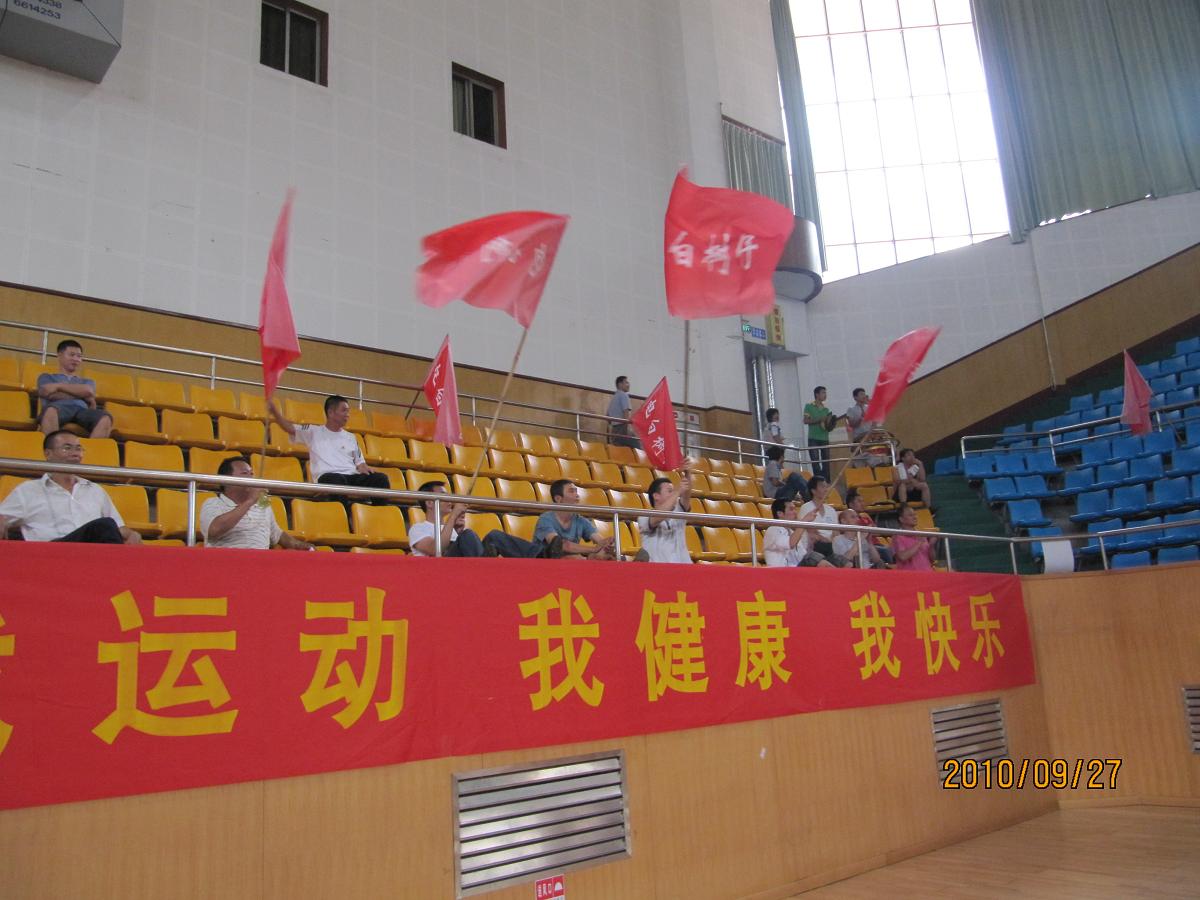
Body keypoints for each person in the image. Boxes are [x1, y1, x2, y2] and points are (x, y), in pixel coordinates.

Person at [0, 430, 140, 544]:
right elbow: (3, 517)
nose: (75, 453)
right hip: (49, 553)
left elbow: (117, 527)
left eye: (78, 448)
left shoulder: (95, 490)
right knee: (104, 525)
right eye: (67, 448)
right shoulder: (28, 490)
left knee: (107, 527)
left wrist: (132, 534)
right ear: (48, 454)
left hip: (90, 553)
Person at [268, 395, 389, 494]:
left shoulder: (351, 437)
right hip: (328, 477)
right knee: (336, 481)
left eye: (348, 411)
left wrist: (364, 467)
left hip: (351, 476)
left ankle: (378, 512)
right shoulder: (314, 431)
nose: (348, 414)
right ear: (331, 412)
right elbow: (289, 428)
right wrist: (274, 411)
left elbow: (360, 463)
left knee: (381, 479)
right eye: (344, 410)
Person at [200, 456, 314, 550]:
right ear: (226, 481)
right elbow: (214, 530)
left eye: (252, 473)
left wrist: (298, 545)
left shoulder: (263, 506)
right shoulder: (213, 503)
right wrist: (249, 501)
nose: (251, 477)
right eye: (245, 473)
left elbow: (277, 534)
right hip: (226, 563)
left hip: (260, 564)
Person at [409, 482, 548, 558]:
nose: (450, 499)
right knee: (467, 535)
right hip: (444, 571)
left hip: (467, 565)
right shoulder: (417, 528)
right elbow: (435, 550)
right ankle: (485, 566)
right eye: (444, 495)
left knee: (495, 536)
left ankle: (539, 555)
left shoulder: (450, 527)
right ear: (429, 503)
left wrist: (457, 530)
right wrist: (453, 518)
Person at [36, 339, 113, 438]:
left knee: (106, 418)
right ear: (60, 355)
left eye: (79, 356)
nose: (76, 359)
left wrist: (58, 386)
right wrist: (81, 396)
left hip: (82, 411)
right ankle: (53, 446)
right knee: (50, 411)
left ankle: (91, 448)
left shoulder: (87, 381)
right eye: (72, 355)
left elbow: (88, 391)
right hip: (58, 408)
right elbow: (48, 393)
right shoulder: (46, 377)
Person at [534, 479, 615, 559]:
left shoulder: (581, 520)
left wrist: (608, 544)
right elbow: (559, 545)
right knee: (575, 558)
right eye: (571, 491)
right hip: (545, 561)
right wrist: (594, 549)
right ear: (558, 499)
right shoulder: (545, 519)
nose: (577, 495)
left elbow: (600, 541)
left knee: (603, 555)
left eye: (576, 491)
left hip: (572, 561)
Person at [637, 471, 693, 564]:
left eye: (673, 491)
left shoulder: (679, 511)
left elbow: (686, 495)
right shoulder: (644, 516)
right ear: (656, 496)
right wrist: (677, 491)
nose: (674, 494)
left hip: (683, 569)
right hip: (658, 569)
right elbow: (659, 516)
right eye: (670, 491)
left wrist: (688, 472)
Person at [764, 497, 833, 567]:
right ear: (780, 514)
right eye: (791, 509)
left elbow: (803, 556)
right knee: (812, 557)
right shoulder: (772, 530)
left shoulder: (792, 532)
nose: (795, 512)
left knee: (835, 558)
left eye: (795, 509)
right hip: (780, 571)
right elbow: (791, 543)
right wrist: (804, 521)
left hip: (796, 569)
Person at [797, 475, 843, 561]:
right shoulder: (806, 508)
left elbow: (836, 532)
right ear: (813, 491)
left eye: (826, 487)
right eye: (822, 486)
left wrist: (832, 542)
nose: (826, 490)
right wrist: (826, 540)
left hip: (831, 547)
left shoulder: (831, 510)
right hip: (814, 547)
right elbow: (811, 532)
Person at [844, 487, 894, 565]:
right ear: (851, 504)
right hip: (865, 545)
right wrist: (869, 529)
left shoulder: (865, 516)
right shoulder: (848, 519)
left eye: (863, 501)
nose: (862, 503)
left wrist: (868, 530)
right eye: (859, 501)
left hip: (876, 544)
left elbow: (877, 532)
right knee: (886, 551)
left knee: (891, 549)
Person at [802, 386, 837, 480]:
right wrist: (819, 420)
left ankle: (827, 482)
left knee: (826, 462)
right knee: (815, 462)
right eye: (823, 393)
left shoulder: (826, 409)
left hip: (824, 437)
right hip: (813, 438)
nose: (825, 395)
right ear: (817, 394)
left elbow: (827, 425)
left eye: (825, 393)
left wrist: (831, 424)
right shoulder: (809, 406)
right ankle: (818, 482)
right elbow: (805, 421)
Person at [892, 503, 940, 571]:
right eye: (910, 515)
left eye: (915, 514)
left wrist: (931, 546)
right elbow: (902, 556)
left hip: (928, 573)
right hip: (910, 575)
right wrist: (919, 542)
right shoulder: (897, 536)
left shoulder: (920, 534)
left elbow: (932, 559)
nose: (915, 517)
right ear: (901, 519)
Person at [606, 375, 641, 448]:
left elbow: (607, 416)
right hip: (622, 428)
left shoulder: (614, 397)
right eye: (626, 382)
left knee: (619, 450)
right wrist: (627, 428)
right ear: (620, 384)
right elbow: (626, 412)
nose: (628, 384)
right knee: (638, 445)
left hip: (614, 430)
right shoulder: (624, 395)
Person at [844, 388, 874, 466]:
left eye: (864, 394)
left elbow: (874, 422)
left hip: (870, 437)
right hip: (859, 438)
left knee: (872, 458)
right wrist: (860, 419)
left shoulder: (869, 407)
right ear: (855, 397)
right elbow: (851, 424)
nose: (864, 396)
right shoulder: (851, 409)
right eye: (861, 394)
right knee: (861, 460)